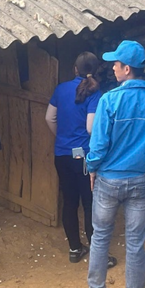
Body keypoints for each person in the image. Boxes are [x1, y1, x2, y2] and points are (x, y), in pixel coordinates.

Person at [86, 40, 145, 288]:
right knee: (135, 243)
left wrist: (91, 168)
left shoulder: (109, 100)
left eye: (116, 64)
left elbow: (98, 145)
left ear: (126, 69)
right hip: (139, 182)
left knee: (100, 236)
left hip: (108, 181)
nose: (112, 68)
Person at [46, 52, 116, 268]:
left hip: (62, 155)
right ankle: (98, 254)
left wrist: (62, 138)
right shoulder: (95, 93)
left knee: (69, 201)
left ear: (75, 69)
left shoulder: (60, 89)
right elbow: (90, 128)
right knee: (89, 203)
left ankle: (75, 249)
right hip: (84, 157)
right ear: (95, 71)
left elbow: (49, 117)